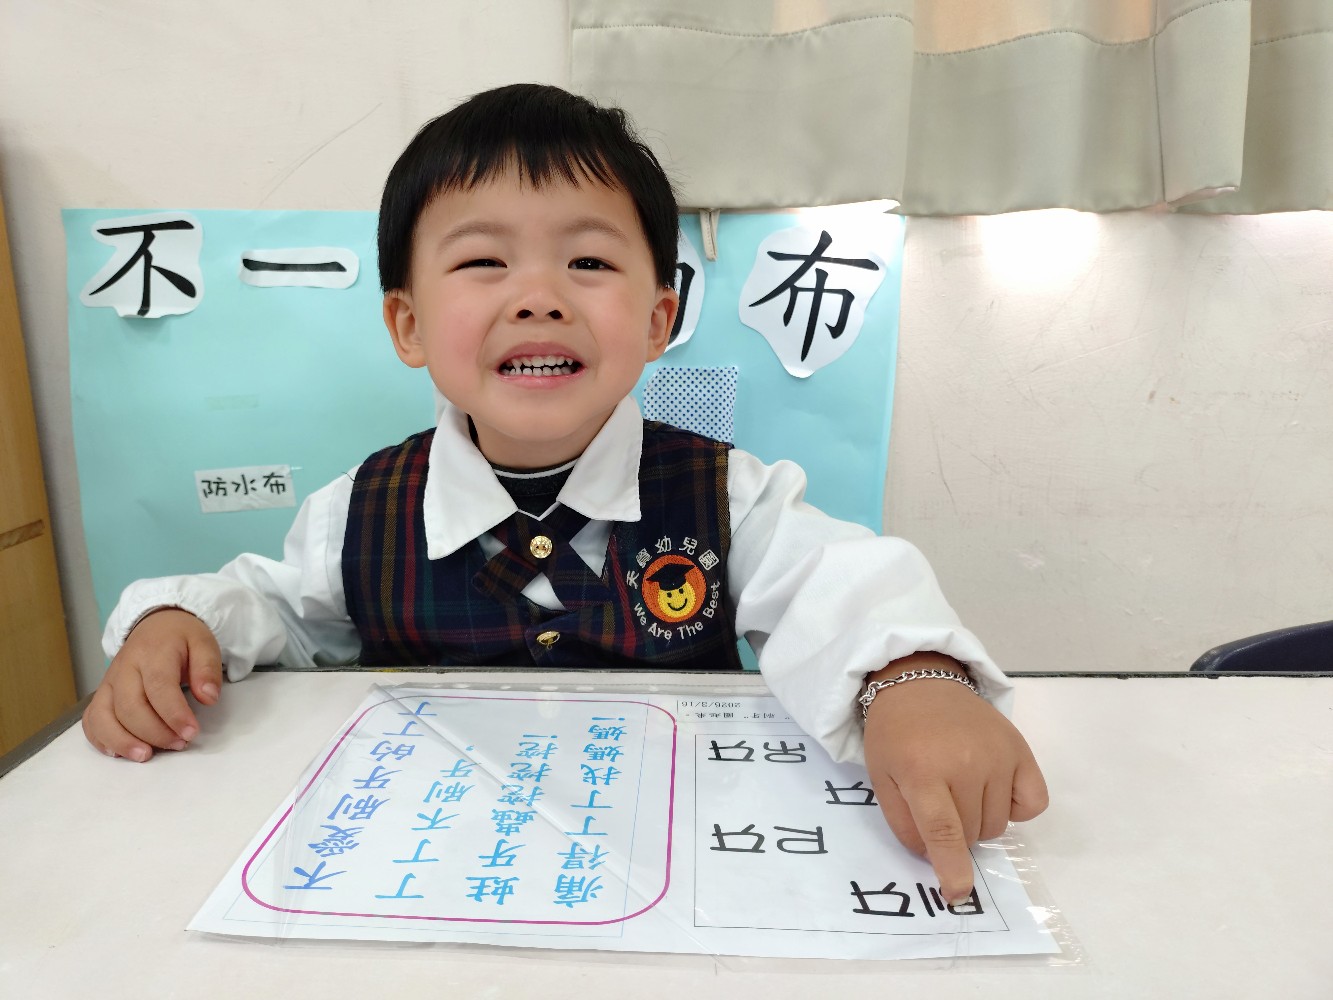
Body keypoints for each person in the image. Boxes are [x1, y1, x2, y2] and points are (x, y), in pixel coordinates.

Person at [82, 83, 1046, 904]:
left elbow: (838, 583)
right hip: (436, 871)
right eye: (482, 261)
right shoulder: (358, 509)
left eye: (588, 262)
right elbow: (272, 611)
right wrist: (179, 622)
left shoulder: (724, 494)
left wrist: (912, 679)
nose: (539, 295)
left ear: (658, 317)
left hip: (674, 865)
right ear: (407, 324)